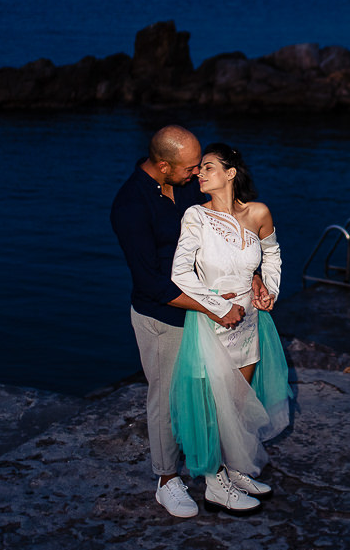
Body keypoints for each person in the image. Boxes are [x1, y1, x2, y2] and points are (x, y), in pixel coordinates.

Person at [110, 125, 248, 519]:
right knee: (168, 397)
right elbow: (151, 283)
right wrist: (212, 308)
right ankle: (167, 480)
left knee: (208, 395)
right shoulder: (130, 205)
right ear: (164, 165)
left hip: (203, 309)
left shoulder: (187, 185)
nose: (197, 174)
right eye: (190, 168)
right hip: (163, 317)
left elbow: (224, 222)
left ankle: (213, 474)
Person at [169, 142, 292, 516]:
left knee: (238, 403)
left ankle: (236, 469)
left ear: (230, 173)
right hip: (212, 324)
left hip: (252, 322)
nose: (199, 174)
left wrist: (269, 287)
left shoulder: (258, 212)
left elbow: (271, 253)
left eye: (207, 168)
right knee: (210, 406)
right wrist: (219, 306)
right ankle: (213, 483)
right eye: (199, 169)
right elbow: (179, 273)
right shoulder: (195, 216)